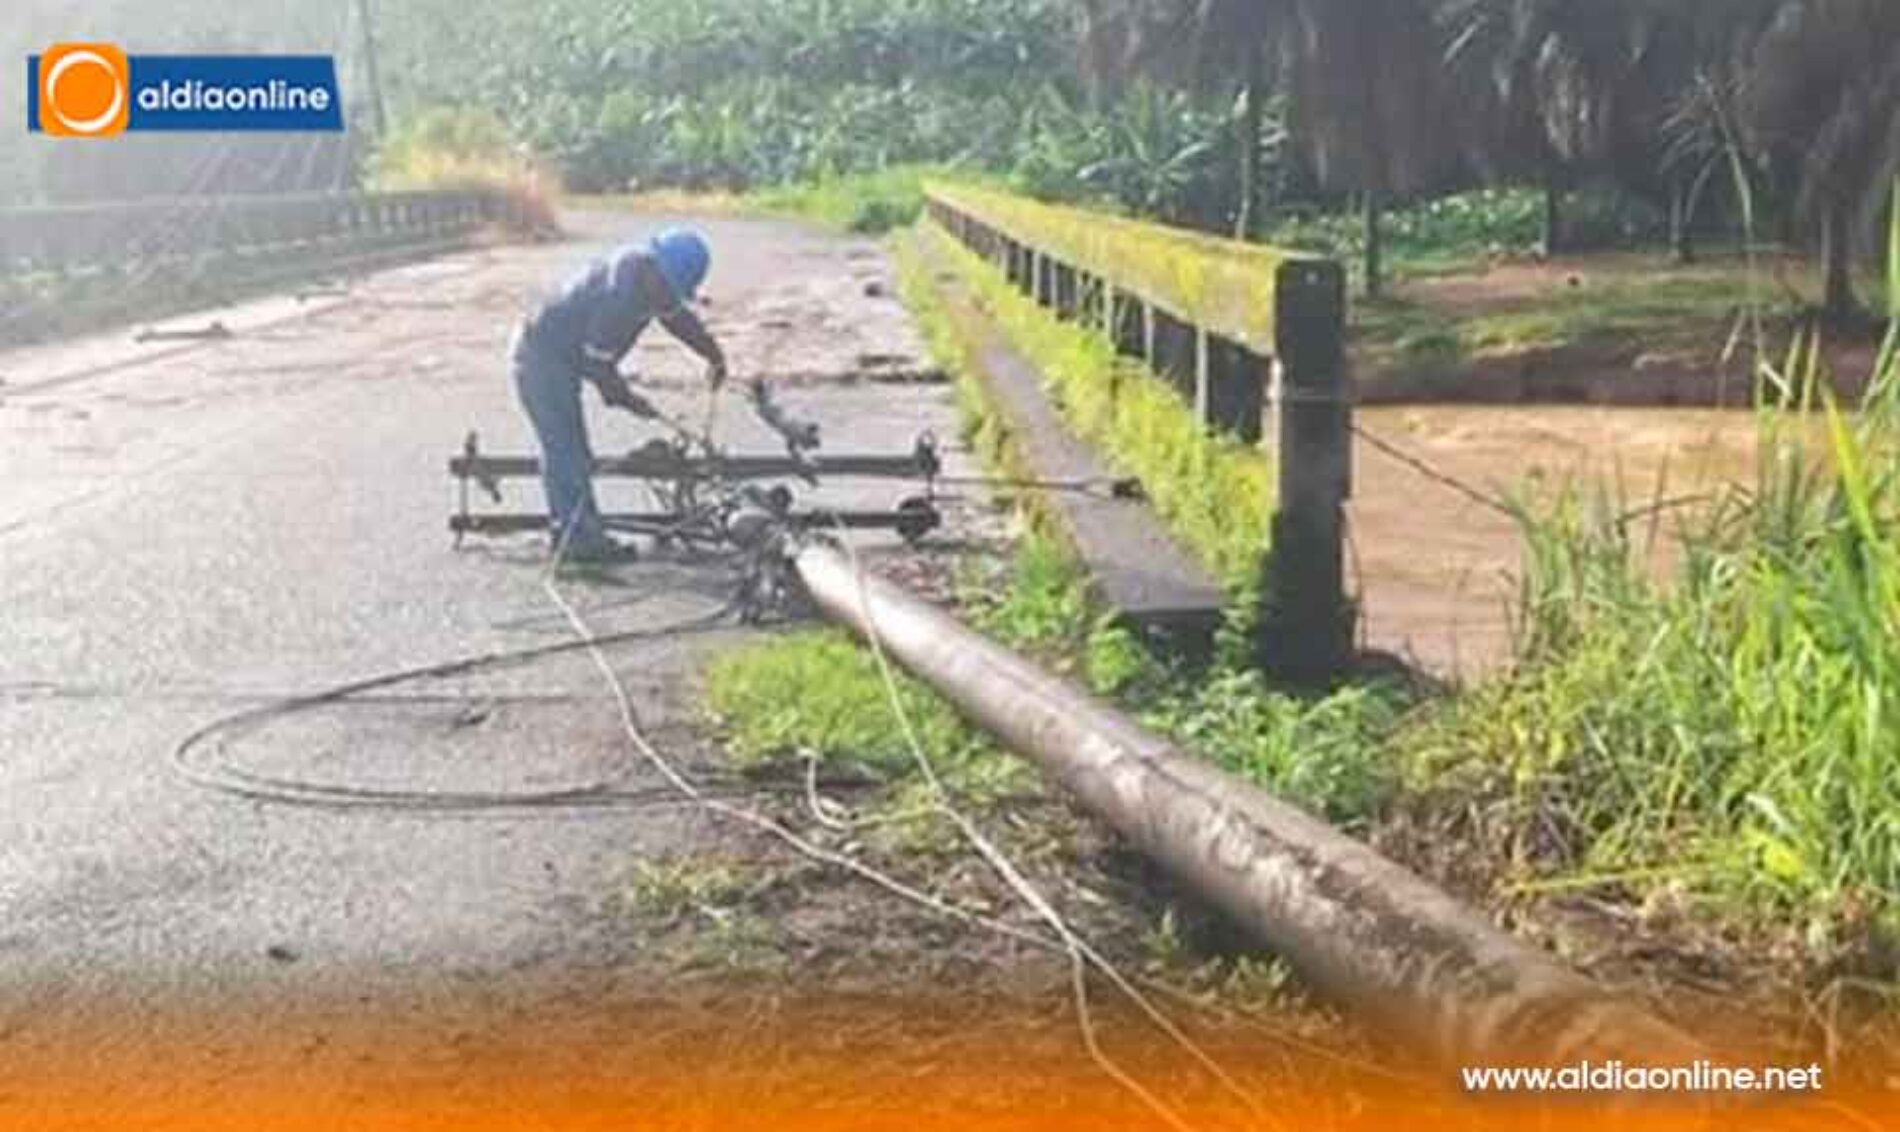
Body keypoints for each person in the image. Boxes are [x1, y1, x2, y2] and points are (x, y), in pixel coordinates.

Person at [511, 228, 728, 562]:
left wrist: (712, 354)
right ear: (656, 268)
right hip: (541, 357)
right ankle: (577, 541)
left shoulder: (649, 277)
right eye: (667, 288)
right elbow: (600, 370)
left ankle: (580, 531)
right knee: (566, 448)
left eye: (673, 291)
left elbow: (677, 318)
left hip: (565, 356)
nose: (667, 297)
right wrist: (631, 400)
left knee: (573, 449)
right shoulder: (619, 296)